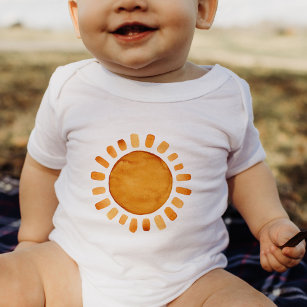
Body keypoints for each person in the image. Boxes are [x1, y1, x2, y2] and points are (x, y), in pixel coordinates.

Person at [0, 0, 305, 306]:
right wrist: (32, 240)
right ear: (77, 14)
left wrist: (269, 221)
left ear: (202, 9)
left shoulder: (226, 95)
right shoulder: (70, 88)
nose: (129, 3)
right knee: (8, 279)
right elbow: (43, 167)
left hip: (190, 283)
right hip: (70, 268)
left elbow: (245, 169)